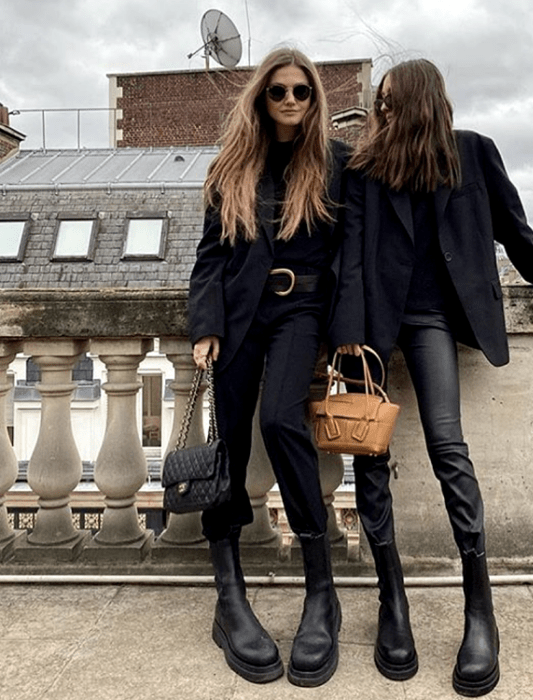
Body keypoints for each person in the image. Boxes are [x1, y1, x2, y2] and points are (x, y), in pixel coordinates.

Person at [342, 58, 533, 696]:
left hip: (430, 320)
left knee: (447, 447)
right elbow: (349, 259)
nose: (385, 112)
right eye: (381, 103)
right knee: (369, 458)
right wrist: (346, 338)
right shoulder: (364, 169)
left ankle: (479, 609)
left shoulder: (472, 154)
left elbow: (514, 231)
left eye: (395, 102)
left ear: (425, 101)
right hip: (373, 323)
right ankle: (391, 602)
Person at [188, 48, 362, 688]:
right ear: (261, 97)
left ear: (315, 99)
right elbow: (209, 257)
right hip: (236, 317)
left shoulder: (339, 164)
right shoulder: (231, 166)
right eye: (279, 91)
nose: (291, 101)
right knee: (229, 442)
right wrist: (204, 324)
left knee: (283, 420)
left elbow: (357, 252)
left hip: (302, 315)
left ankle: (323, 592)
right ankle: (228, 594)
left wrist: (345, 331)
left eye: (302, 92)